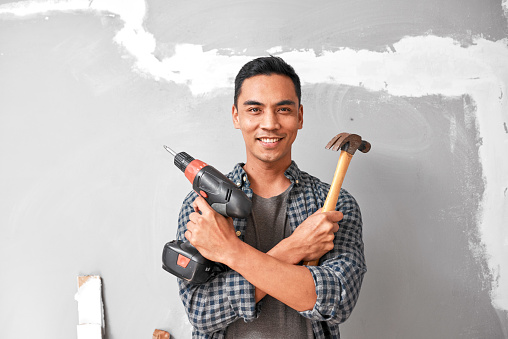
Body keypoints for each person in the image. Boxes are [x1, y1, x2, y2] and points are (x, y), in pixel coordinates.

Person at [176, 56, 366, 338]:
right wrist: (294, 248)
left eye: (283, 109)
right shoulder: (203, 209)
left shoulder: (333, 206)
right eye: (255, 109)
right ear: (236, 116)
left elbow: (336, 301)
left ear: (299, 116)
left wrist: (230, 251)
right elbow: (202, 311)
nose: (270, 123)